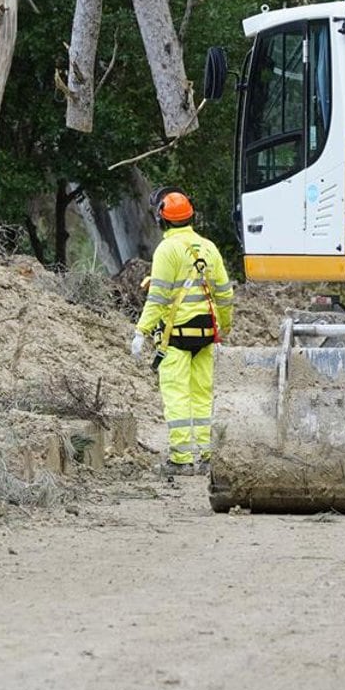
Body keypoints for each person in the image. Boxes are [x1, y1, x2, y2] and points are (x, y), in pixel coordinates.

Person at [130, 188, 232, 475]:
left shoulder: (167, 250)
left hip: (175, 336)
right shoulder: (209, 248)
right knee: (202, 395)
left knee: (176, 396)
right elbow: (224, 294)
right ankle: (207, 457)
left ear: (162, 220)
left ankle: (181, 459)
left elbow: (158, 298)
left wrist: (141, 331)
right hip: (206, 335)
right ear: (191, 217)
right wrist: (224, 327)